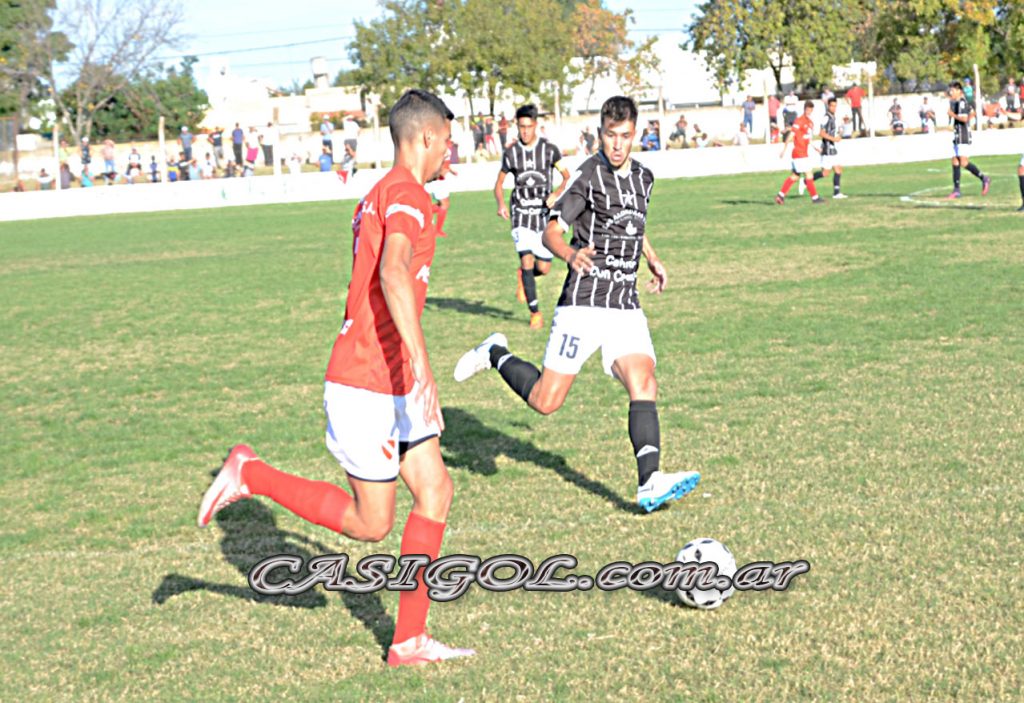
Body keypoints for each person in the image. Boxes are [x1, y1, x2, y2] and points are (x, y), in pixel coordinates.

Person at [197, 89, 469, 667]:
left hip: (388, 374)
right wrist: (424, 368)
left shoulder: (388, 192)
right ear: (425, 136)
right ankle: (251, 473)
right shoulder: (405, 194)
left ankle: (408, 640)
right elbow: (393, 274)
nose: (450, 148)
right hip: (368, 379)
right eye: (446, 138)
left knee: (436, 491)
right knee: (372, 524)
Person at [456, 95, 701, 513]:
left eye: (625, 136)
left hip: (624, 303)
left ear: (635, 134)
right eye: (610, 136)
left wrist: (652, 257)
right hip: (584, 302)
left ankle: (649, 482)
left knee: (644, 382)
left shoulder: (644, 178)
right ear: (600, 133)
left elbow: (634, 222)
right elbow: (550, 231)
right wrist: (570, 255)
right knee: (546, 401)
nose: (617, 144)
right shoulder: (586, 176)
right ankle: (496, 352)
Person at [493, 104, 571, 329]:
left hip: (542, 216)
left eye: (528, 126)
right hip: (520, 214)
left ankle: (523, 276)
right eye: (521, 127)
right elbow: (498, 183)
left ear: (536, 125)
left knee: (543, 268)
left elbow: (567, 177)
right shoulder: (511, 153)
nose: (525, 131)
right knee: (526, 258)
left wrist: (556, 194)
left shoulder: (550, 150)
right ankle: (535, 312)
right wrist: (501, 204)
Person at [775, 100, 826, 205]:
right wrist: (784, 149)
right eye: (807, 109)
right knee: (809, 174)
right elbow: (792, 134)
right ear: (804, 109)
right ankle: (815, 198)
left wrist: (815, 148)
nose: (808, 112)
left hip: (803, 153)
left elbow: (808, 138)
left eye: (810, 110)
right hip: (799, 153)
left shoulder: (810, 123)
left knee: (795, 176)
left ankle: (780, 196)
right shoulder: (799, 121)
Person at [946, 81, 990, 199]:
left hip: (963, 135)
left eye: (952, 91)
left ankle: (984, 178)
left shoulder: (961, 103)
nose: (951, 93)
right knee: (955, 160)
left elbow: (964, 119)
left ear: (959, 91)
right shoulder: (960, 102)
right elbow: (972, 112)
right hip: (958, 134)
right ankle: (956, 190)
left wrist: (952, 115)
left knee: (963, 162)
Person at [812, 97, 846, 199]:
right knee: (825, 173)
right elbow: (821, 133)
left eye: (835, 106)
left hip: (832, 148)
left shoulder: (833, 117)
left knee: (838, 170)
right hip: (827, 149)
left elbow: (833, 131)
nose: (834, 108)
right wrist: (834, 139)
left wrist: (840, 133)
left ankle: (836, 193)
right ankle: (806, 181)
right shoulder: (826, 117)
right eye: (832, 106)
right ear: (828, 106)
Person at [426, 139, 456, 235]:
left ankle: (424, 213)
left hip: (440, 180)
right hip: (438, 180)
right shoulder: (442, 150)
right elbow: (437, 164)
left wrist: (450, 170)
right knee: (444, 204)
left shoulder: (446, 150)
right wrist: (441, 172)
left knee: (443, 204)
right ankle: (437, 230)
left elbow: (445, 164)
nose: (451, 144)